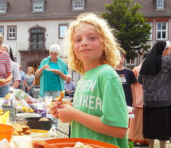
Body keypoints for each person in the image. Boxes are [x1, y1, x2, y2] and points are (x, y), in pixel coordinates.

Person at [50, 13, 128, 148]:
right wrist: (66, 113)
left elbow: (119, 130)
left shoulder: (107, 75)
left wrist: (74, 115)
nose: (84, 42)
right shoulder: (83, 79)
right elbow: (87, 119)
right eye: (78, 40)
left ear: (105, 44)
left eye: (92, 38)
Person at [138, 41, 171, 148]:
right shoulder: (167, 61)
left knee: (151, 126)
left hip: (149, 101)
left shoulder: (146, 62)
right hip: (165, 101)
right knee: (163, 127)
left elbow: (140, 80)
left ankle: (151, 146)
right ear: (164, 50)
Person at [128, 53, 149, 145]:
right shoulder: (138, 70)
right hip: (146, 99)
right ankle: (145, 140)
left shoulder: (136, 69)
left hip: (138, 98)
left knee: (136, 122)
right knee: (144, 121)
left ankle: (134, 139)